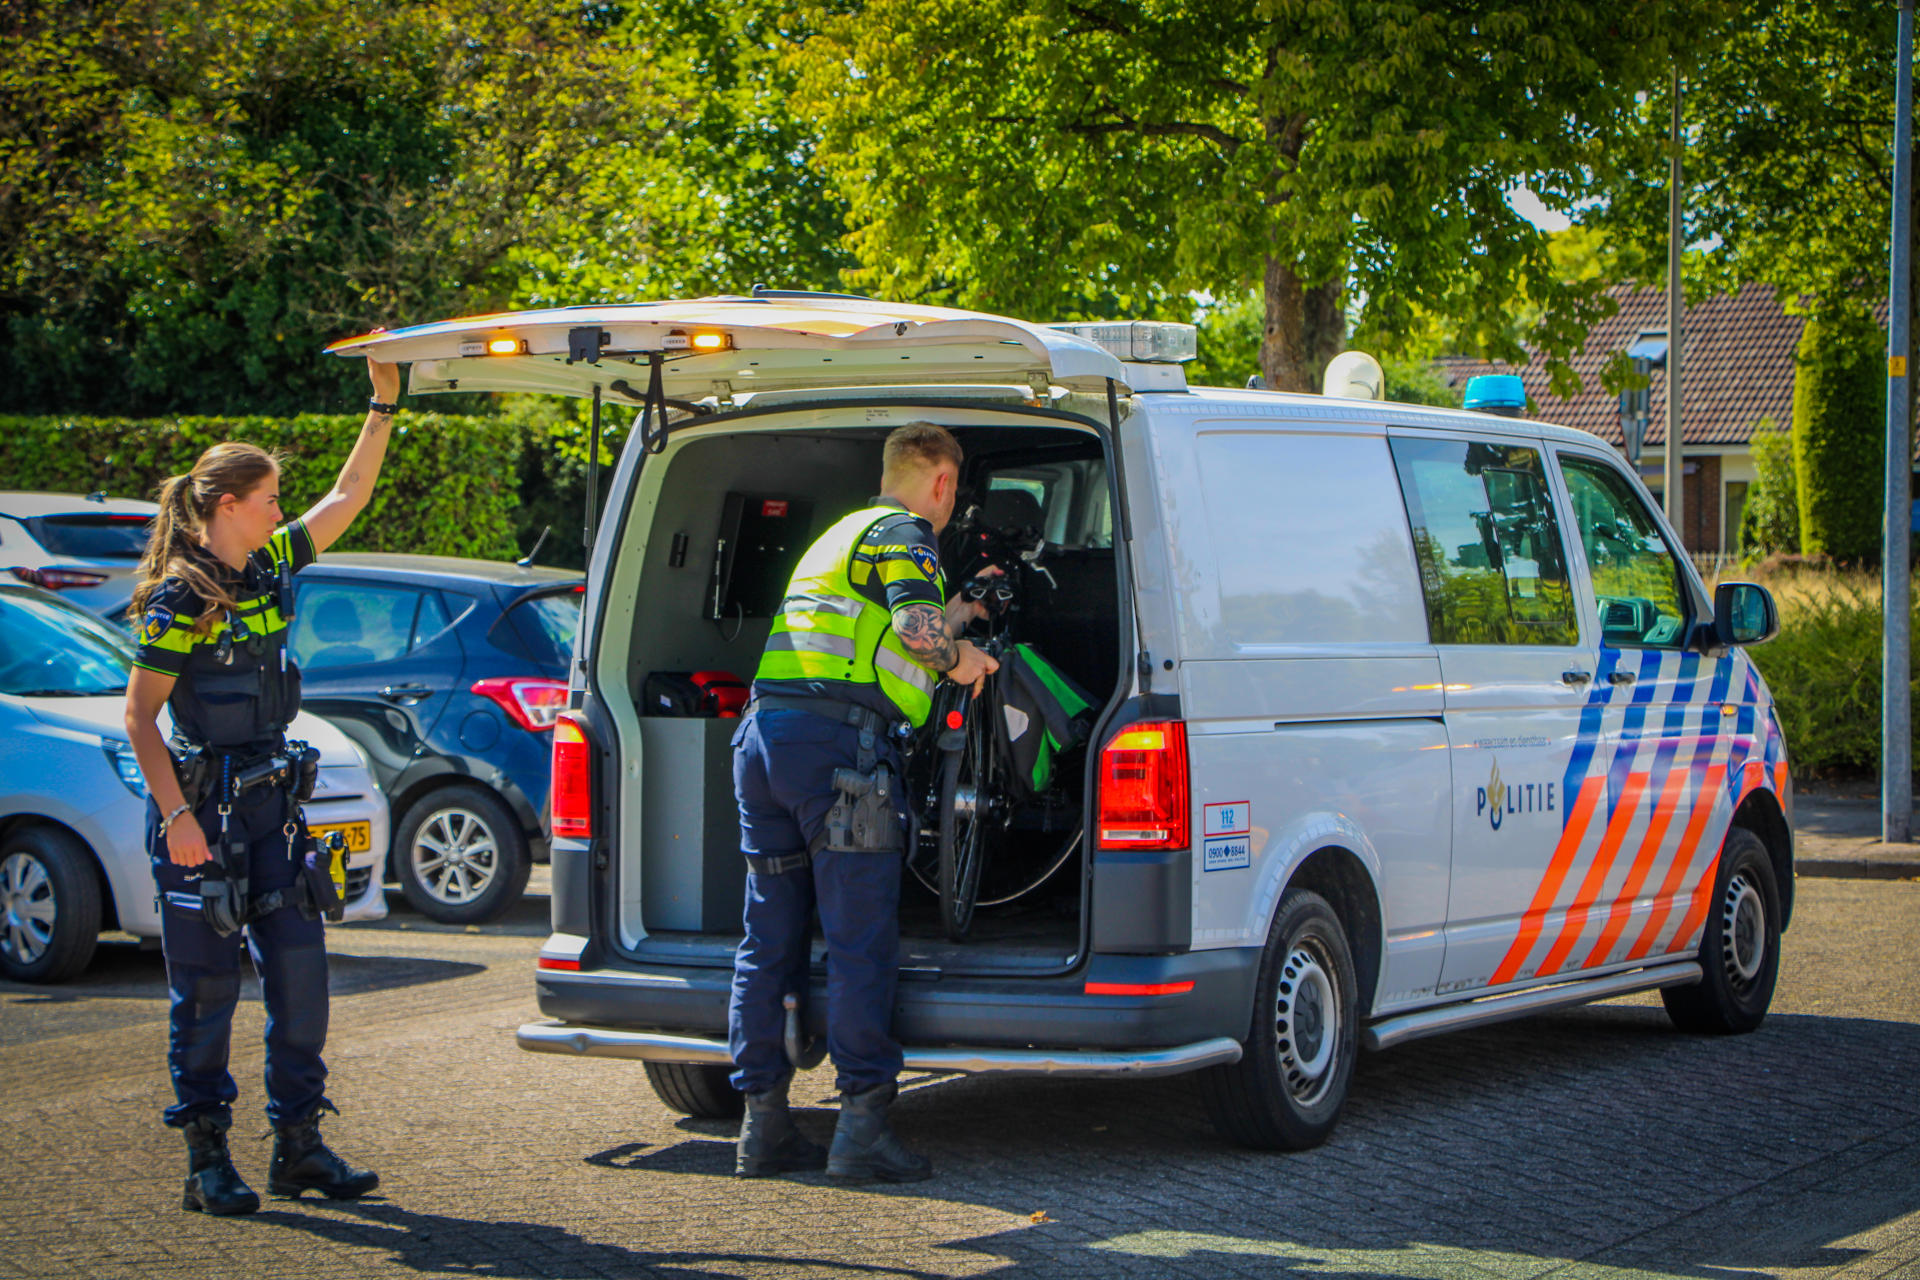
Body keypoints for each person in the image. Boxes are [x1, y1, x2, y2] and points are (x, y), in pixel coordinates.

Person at [122, 358, 402, 1215]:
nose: (284, 508)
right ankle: (208, 1161)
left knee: (300, 981)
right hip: (202, 814)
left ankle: (300, 1150)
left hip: (275, 809)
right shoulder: (179, 603)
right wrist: (176, 818)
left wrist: (383, 401)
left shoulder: (273, 564)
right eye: (272, 496)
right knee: (205, 995)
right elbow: (140, 719)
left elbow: (349, 498)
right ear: (227, 507)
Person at [728, 421, 998, 1183]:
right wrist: (962, 658)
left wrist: (960, 615)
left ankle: (762, 1128)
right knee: (858, 940)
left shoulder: (843, 533)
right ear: (942, 481)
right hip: (841, 760)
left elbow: (882, 628)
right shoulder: (905, 532)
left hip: (766, 745)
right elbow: (916, 632)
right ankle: (862, 1130)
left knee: (768, 938)